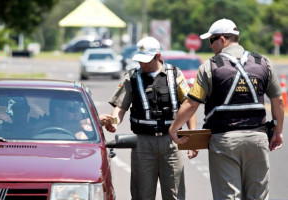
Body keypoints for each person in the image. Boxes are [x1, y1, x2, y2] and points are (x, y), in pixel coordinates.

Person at [168, 18, 284, 200]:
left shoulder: (210, 66)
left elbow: (191, 103)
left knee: (228, 196)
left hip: (225, 141)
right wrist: (277, 131)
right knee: (258, 196)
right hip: (258, 139)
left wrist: (174, 128)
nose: (210, 46)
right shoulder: (262, 62)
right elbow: (278, 101)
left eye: (211, 41)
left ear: (222, 40)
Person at [105, 36, 197, 200]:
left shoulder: (175, 74)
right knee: (142, 194)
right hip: (143, 144)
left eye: (146, 60)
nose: (142, 64)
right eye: (140, 60)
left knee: (174, 194)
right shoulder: (132, 77)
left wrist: (193, 139)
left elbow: (189, 106)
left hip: (171, 143)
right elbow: (120, 107)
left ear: (158, 56)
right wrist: (114, 122)